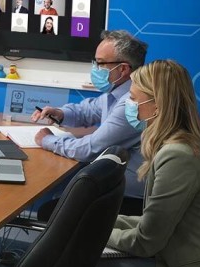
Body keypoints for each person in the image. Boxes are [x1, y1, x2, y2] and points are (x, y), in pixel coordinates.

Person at [89, 59, 200, 267]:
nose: (129, 106)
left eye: (133, 99)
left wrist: (96, 230)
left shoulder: (178, 156)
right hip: (175, 258)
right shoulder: (182, 145)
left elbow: (146, 242)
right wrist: (103, 220)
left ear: (157, 105)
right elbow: (153, 222)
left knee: (80, 260)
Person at [31, 30, 149, 204]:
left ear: (123, 69)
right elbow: (88, 111)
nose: (95, 69)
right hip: (113, 184)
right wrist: (61, 114)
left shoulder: (133, 102)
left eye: (100, 63)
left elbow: (90, 149)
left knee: (51, 208)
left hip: (126, 195)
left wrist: (47, 140)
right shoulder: (117, 91)